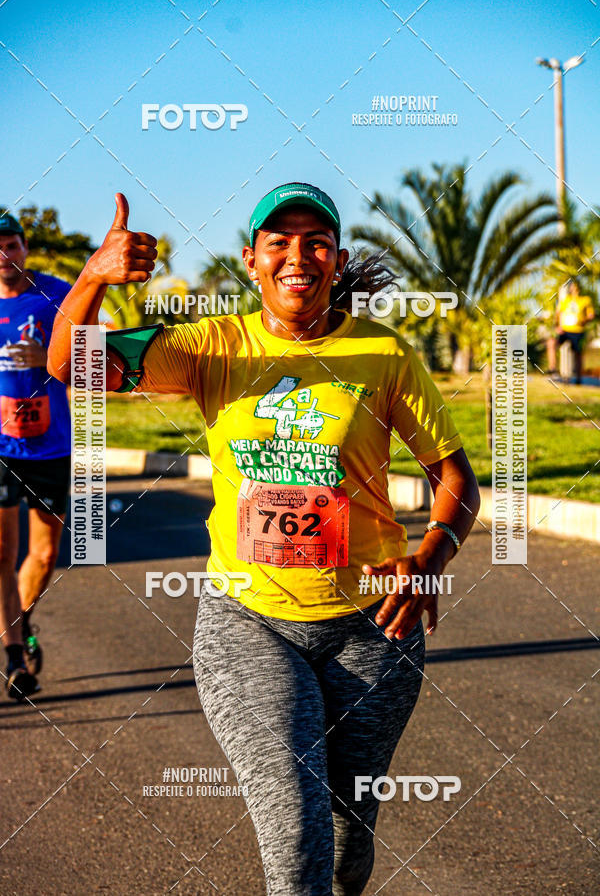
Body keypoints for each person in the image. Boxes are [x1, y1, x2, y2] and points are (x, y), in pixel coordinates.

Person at [48, 183, 481, 895]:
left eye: (315, 241)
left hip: (375, 627)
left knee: (346, 839)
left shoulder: (382, 353)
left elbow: (452, 474)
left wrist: (433, 553)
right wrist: (94, 277)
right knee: (293, 836)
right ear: (251, 260)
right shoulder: (212, 345)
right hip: (247, 623)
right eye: (278, 242)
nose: (297, 256)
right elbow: (75, 367)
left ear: (337, 260)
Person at [0, 213, 71, 701]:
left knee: (44, 554)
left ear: (26, 248)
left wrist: (45, 355)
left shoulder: (58, 294)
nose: (6, 258)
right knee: (2, 554)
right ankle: (14, 659)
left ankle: (22, 626)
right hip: (1, 445)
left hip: (51, 443)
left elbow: (91, 349)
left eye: (12, 245)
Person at [546, 279, 595, 384]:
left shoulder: (585, 300)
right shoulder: (565, 300)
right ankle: (552, 368)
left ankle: (578, 378)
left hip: (578, 331)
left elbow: (591, 315)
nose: (574, 288)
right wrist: (557, 326)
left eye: (576, 286)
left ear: (579, 288)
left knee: (578, 354)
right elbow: (558, 313)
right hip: (565, 331)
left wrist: (584, 320)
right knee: (551, 343)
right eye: (572, 286)